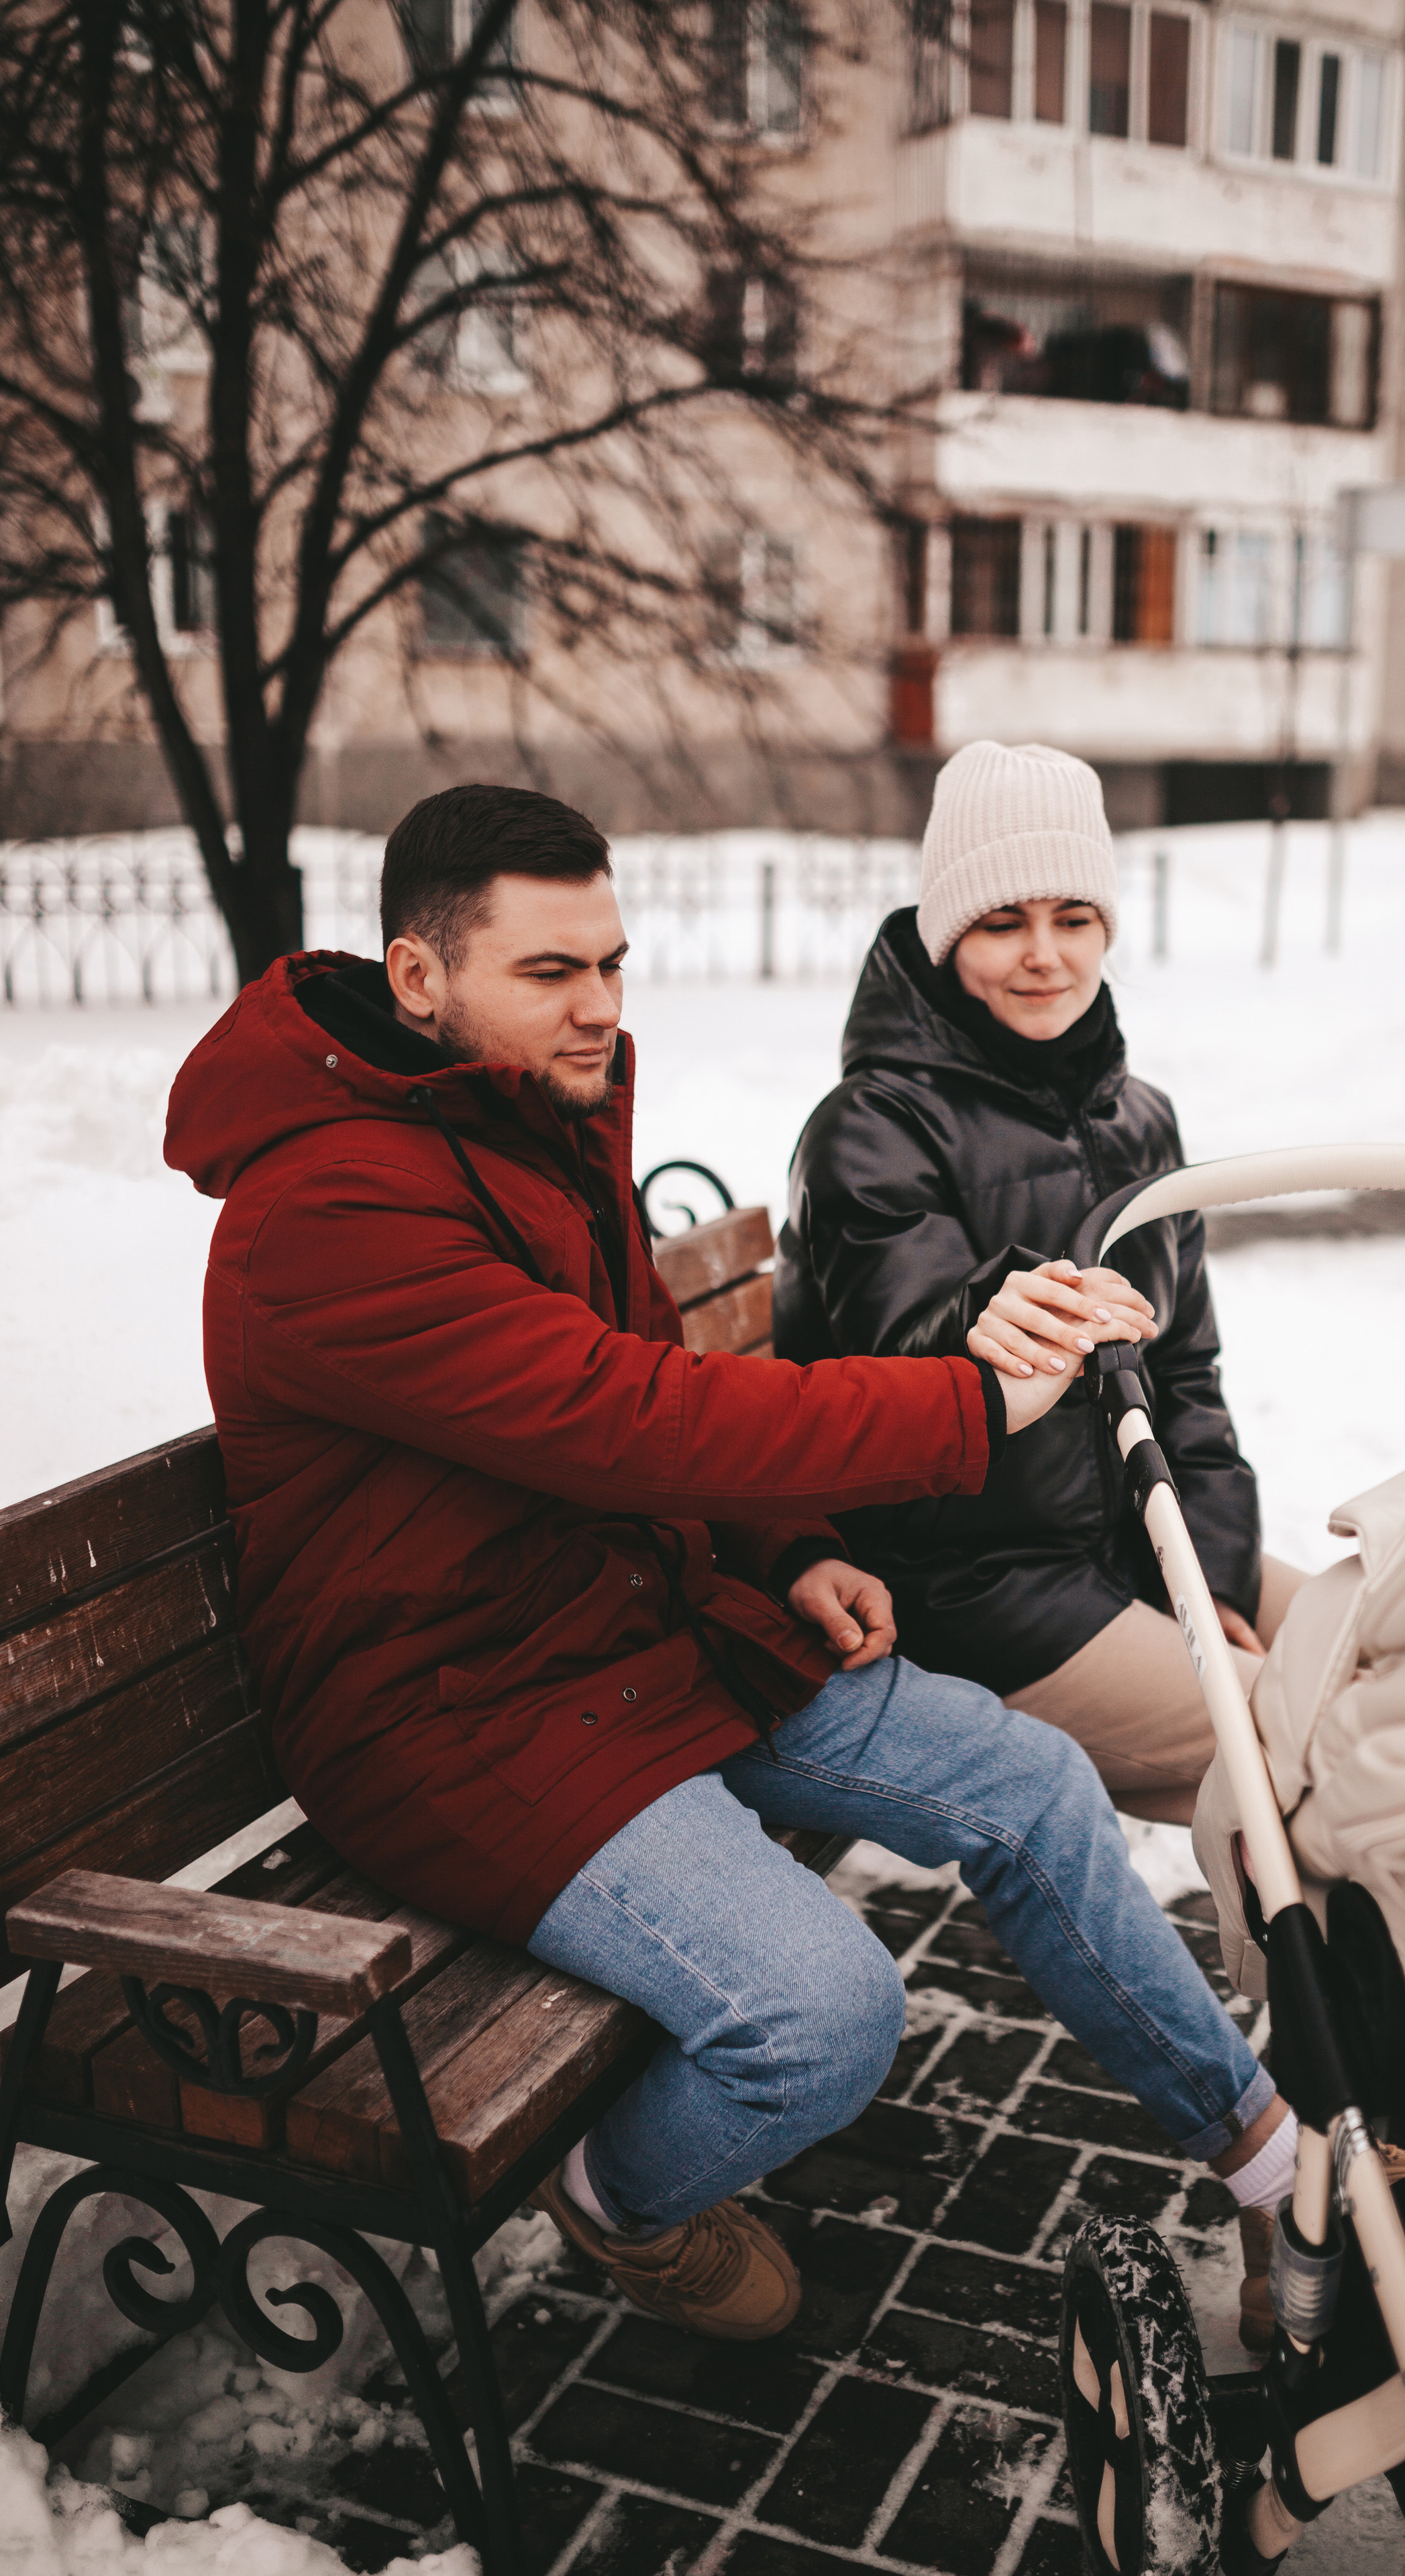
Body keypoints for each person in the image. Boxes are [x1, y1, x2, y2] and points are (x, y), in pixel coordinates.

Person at [165, 782, 1296, 2347]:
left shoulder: (518, 1122)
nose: (598, 1009)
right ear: (418, 979)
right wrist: (965, 1401)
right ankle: (616, 2198)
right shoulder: (330, 1207)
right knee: (820, 2017)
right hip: (456, 1714)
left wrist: (792, 1549)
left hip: (647, 1636)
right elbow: (624, 1415)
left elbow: (638, 1373)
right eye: (550, 973)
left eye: (611, 965)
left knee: (1030, 1784)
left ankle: (1271, 2166)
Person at [775, 739, 1306, 1829]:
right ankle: (1343, 1990)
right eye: (1003, 922)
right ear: (944, 932)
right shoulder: (871, 1129)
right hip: (972, 1586)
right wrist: (993, 1310)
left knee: (1398, 1654)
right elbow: (900, 1358)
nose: (1046, 957)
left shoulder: (1141, 1116)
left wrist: (1197, 1576)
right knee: (1325, 1741)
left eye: (1075, 918)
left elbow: (1187, 1373)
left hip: (1127, 1540)